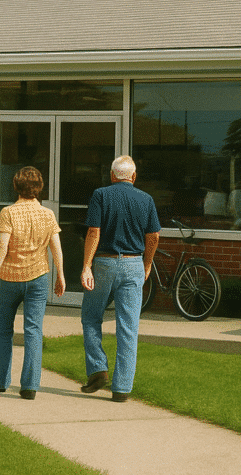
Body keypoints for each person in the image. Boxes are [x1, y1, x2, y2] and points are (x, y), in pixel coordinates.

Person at [80, 155, 161, 402]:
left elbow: (94, 231)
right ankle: (122, 389)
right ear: (133, 176)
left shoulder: (101, 195)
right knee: (128, 327)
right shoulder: (146, 199)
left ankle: (98, 368)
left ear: (112, 175)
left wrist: (86, 266)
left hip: (104, 263)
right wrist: (147, 263)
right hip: (134, 263)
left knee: (91, 317)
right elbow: (154, 236)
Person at [0, 166, 66, 400]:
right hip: (38, 278)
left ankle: (1, 382)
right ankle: (30, 386)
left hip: (9, 278)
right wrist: (61, 274)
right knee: (33, 330)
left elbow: (1, 246)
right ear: (39, 188)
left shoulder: (8, 213)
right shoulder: (48, 214)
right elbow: (56, 248)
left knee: (4, 330)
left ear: (16, 187)